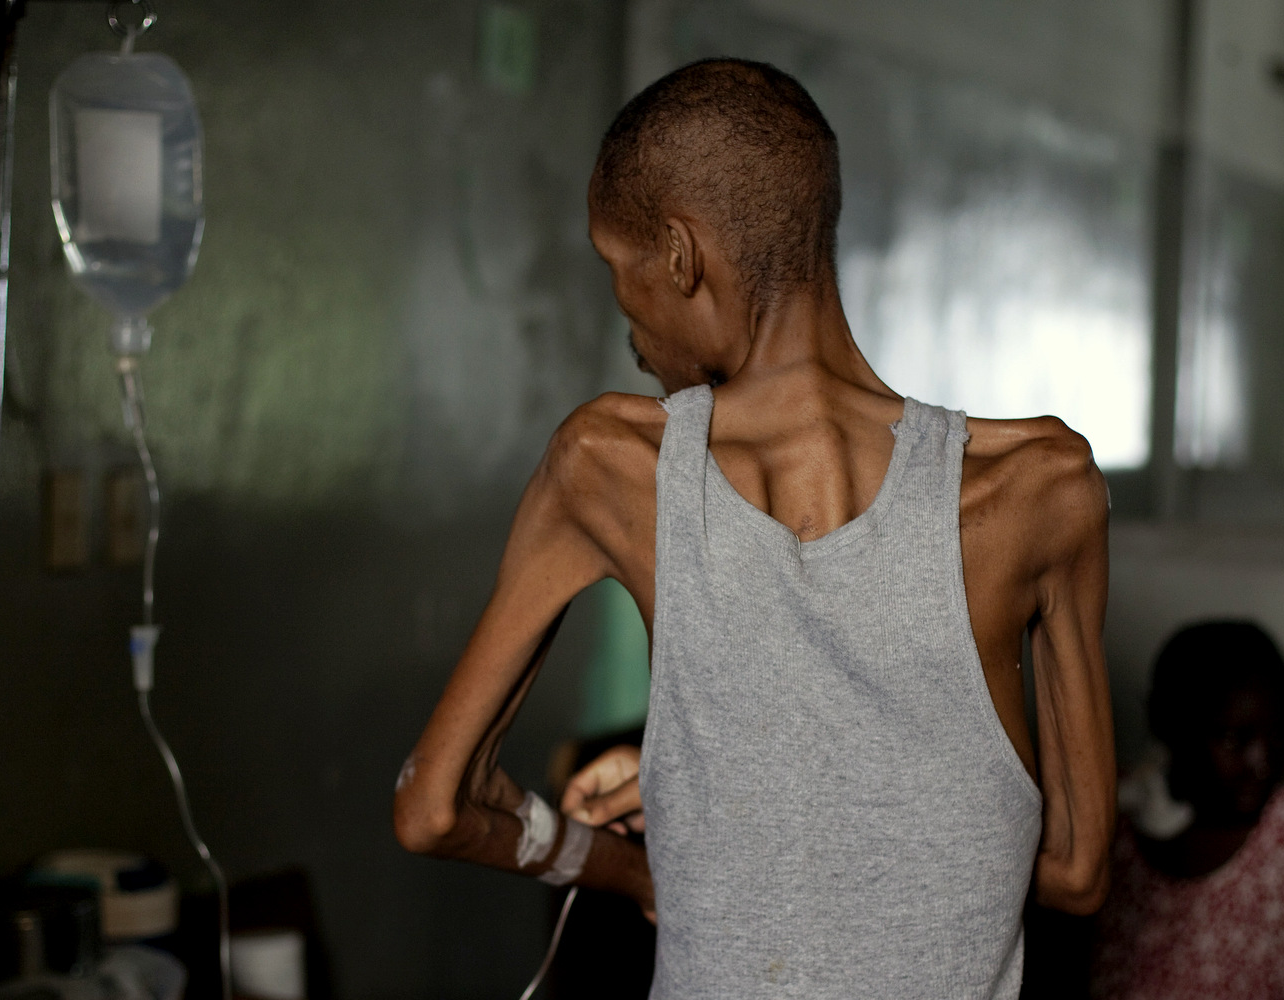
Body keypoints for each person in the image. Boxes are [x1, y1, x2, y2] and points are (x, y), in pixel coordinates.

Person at [392, 58, 1117, 997]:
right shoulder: (1042, 489)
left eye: (620, 273)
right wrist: (736, 799)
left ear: (682, 257)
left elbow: (434, 807)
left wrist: (635, 870)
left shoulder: (609, 468)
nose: (629, 329)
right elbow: (1073, 872)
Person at [1089, 621, 1284, 1000]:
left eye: (1279, 734)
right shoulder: (1111, 814)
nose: (1261, 763)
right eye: (1232, 739)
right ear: (1168, 727)